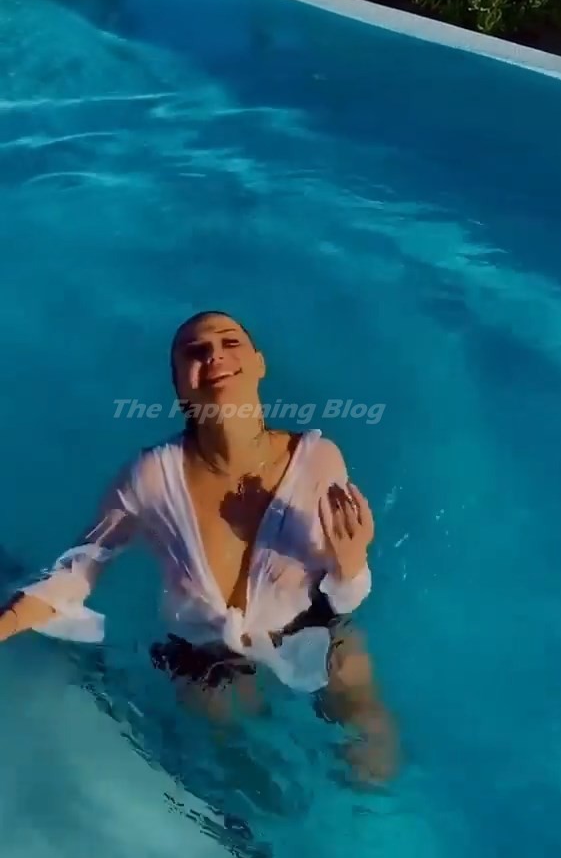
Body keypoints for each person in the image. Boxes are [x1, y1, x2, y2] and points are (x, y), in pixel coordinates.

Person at [0, 310, 396, 781]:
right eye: (196, 351)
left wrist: (351, 563)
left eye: (230, 343)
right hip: (206, 658)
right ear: (179, 385)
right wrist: (7, 623)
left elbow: (346, 593)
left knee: (370, 750)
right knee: (240, 772)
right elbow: (78, 570)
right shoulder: (151, 478)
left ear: (259, 364)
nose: (214, 356)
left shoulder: (316, 460)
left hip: (316, 627)